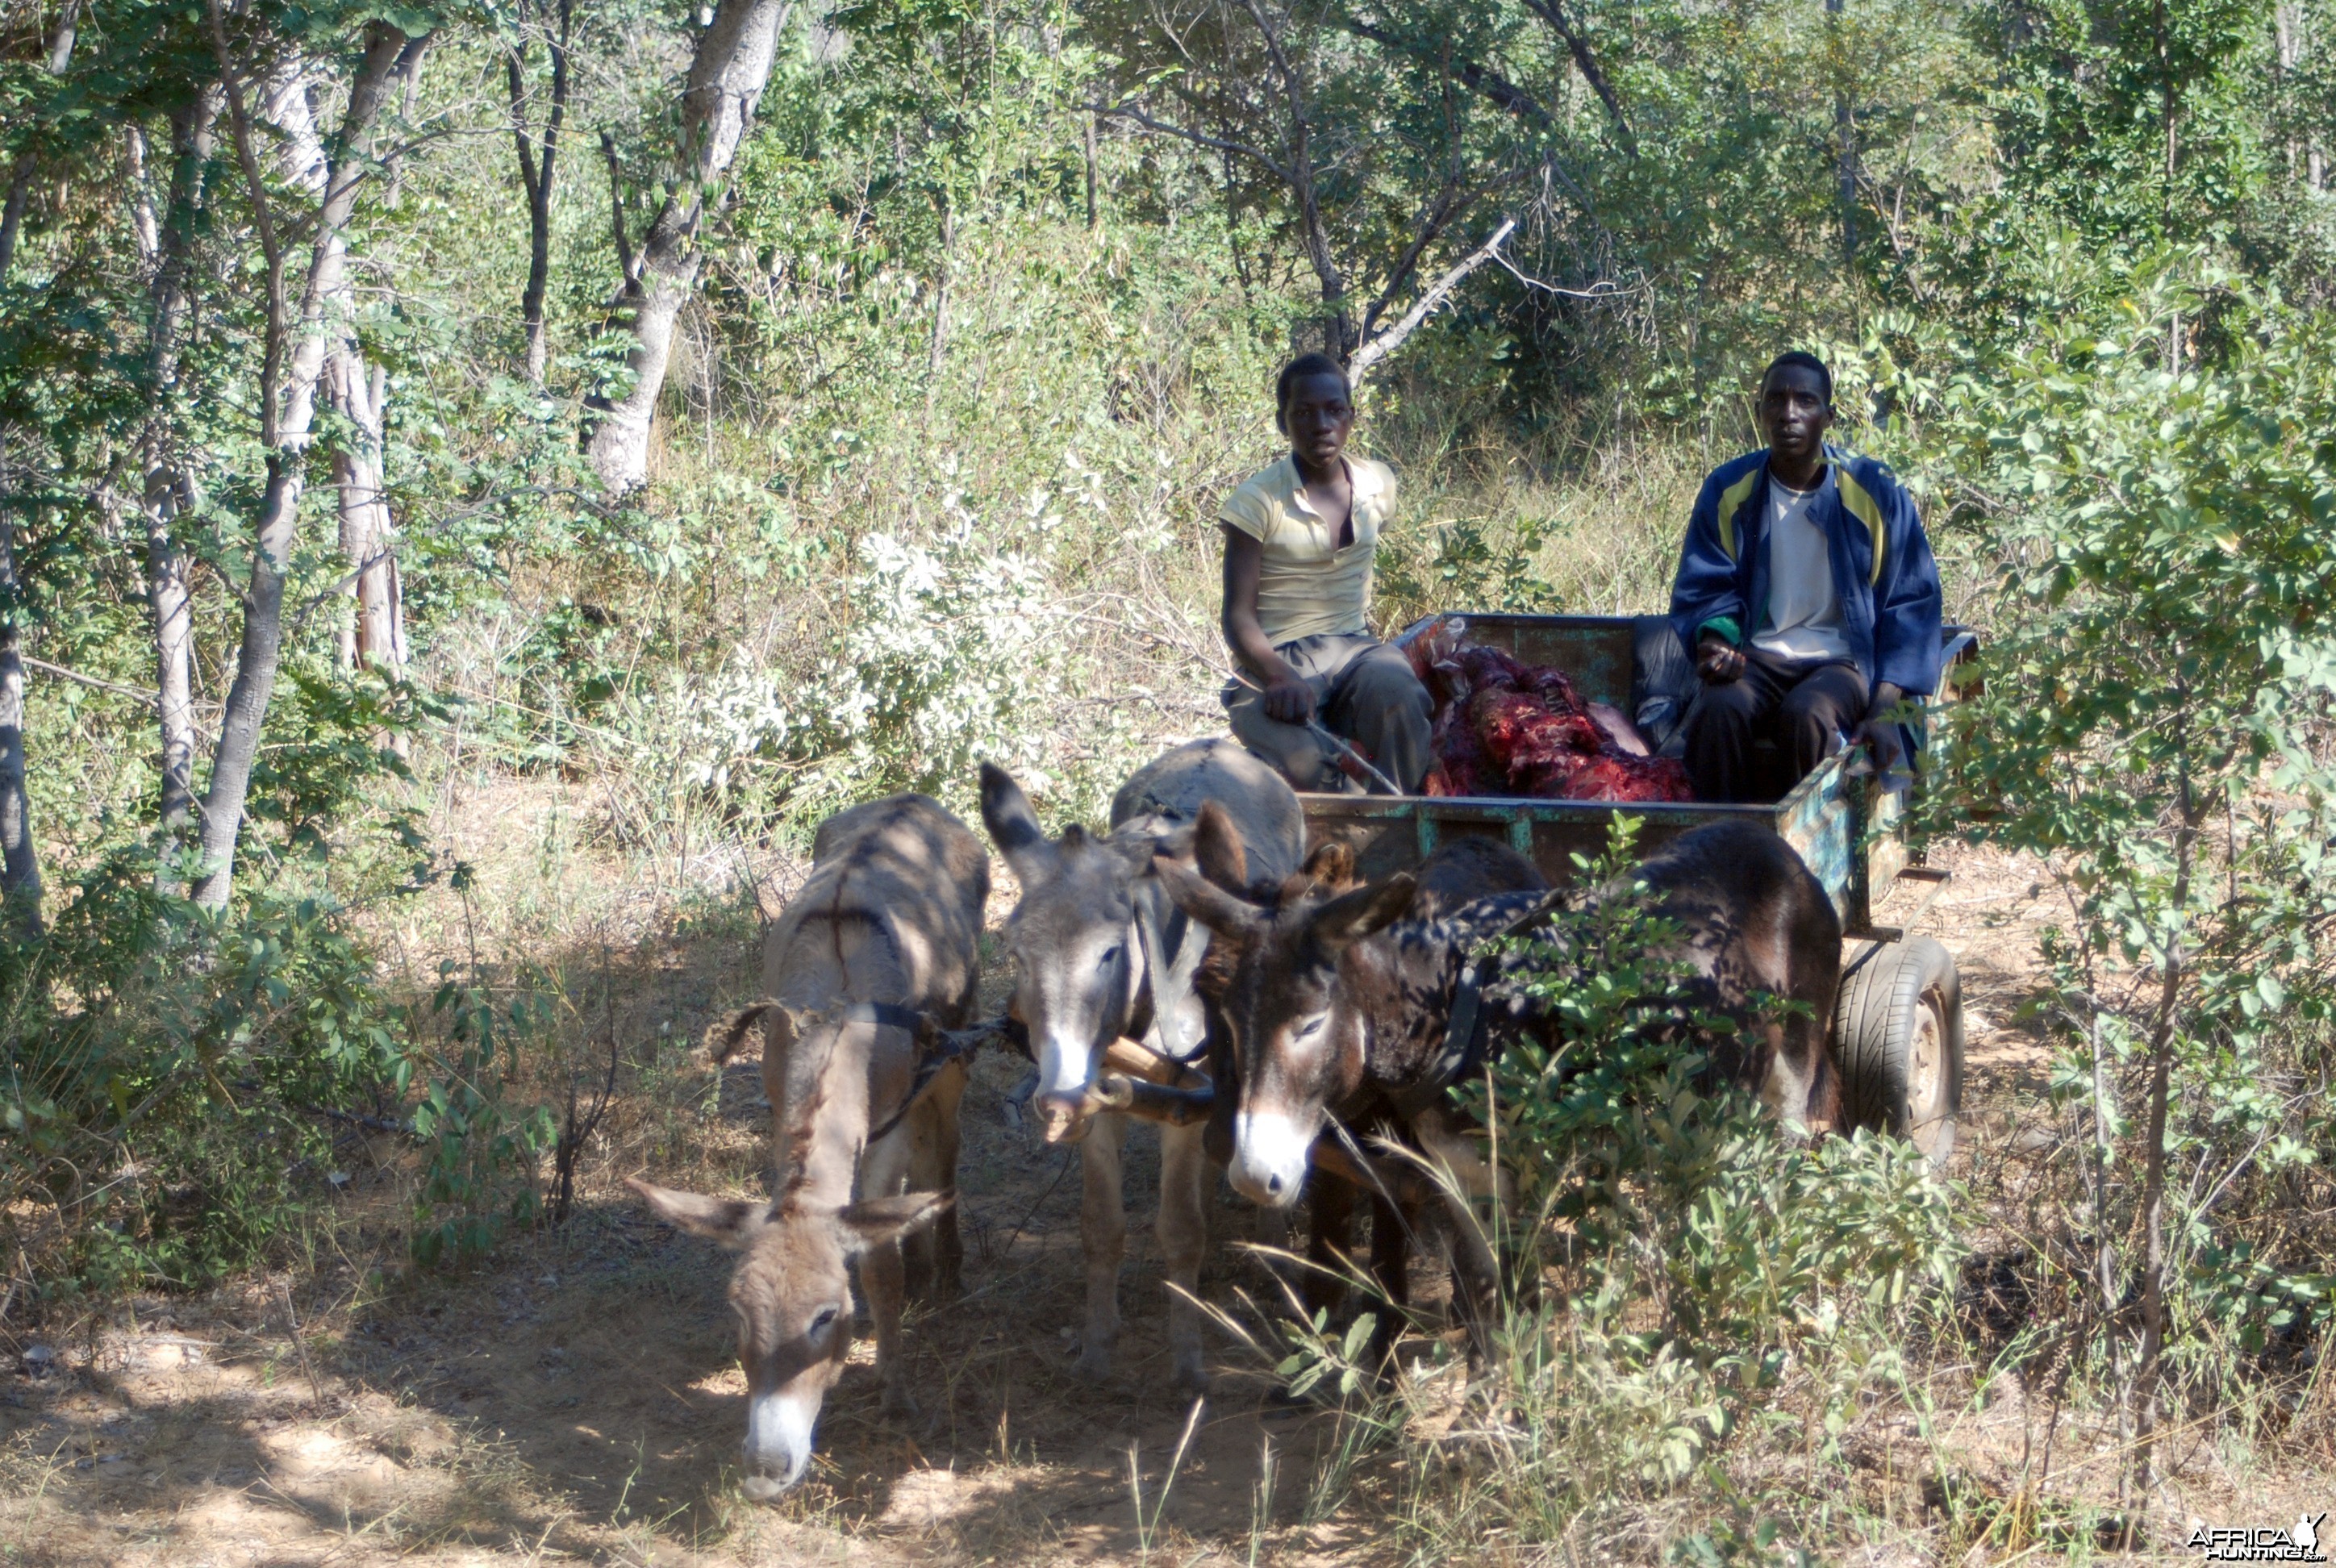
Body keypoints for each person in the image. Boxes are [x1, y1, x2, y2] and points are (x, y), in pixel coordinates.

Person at [1668, 352, 1942, 803]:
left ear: (1828, 416)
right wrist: (1716, 641)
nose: (1788, 414)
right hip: (1761, 655)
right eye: (1775, 400)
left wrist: (1885, 708)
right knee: (1718, 709)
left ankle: (1810, 861)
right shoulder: (1729, 489)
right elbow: (1706, 586)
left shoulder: (1874, 489)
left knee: (1809, 714)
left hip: (1843, 660)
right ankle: (1719, 848)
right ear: (1760, 412)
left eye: (1805, 401)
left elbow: (1911, 602)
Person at [1219, 353, 1434, 794]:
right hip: (1277, 657)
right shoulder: (1258, 501)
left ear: (1351, 416)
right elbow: (1237, 616)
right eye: (1303, 413)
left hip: (1355, 646)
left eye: (1334, 410)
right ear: (1283, 423)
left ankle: (1397, 828)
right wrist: (1278, 675)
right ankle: (1346, 829)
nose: (1322, 425)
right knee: (1308, 766)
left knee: (1402, 697)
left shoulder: (1377, 484)